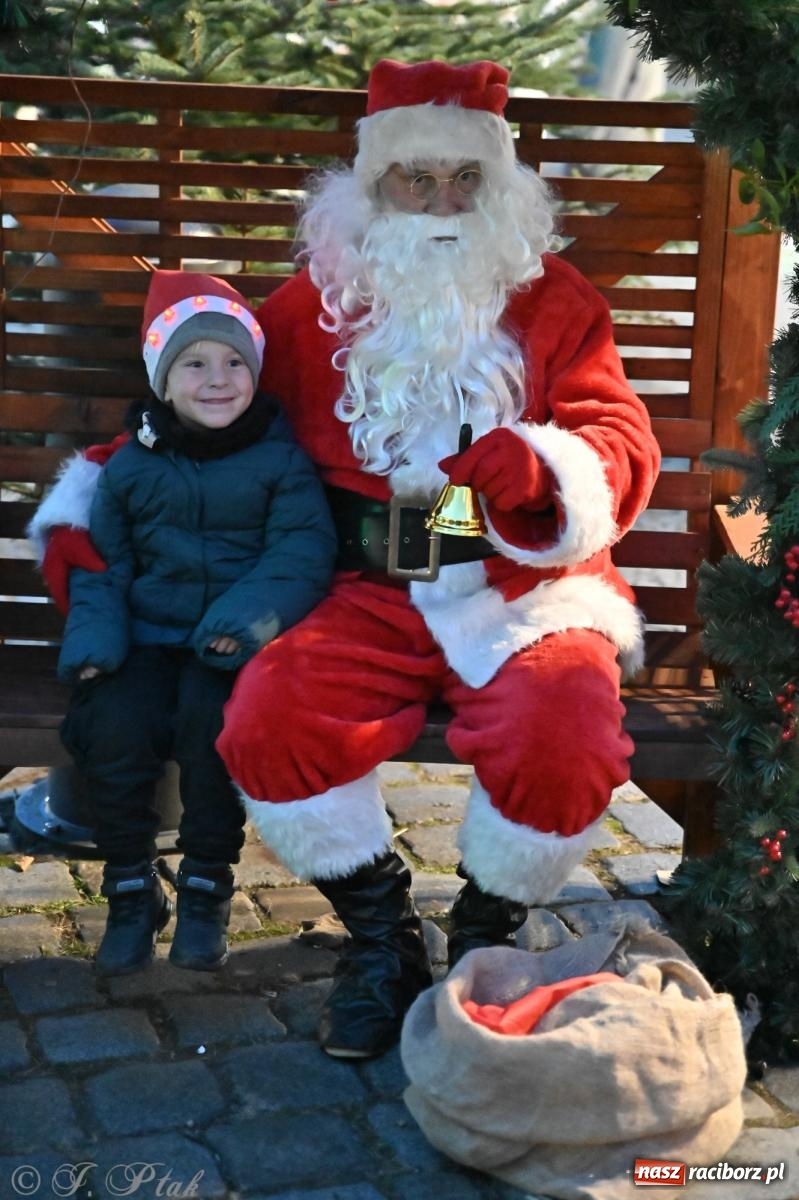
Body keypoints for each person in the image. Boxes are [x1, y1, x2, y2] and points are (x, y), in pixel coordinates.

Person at [33, 59, 660, 1055]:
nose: (444, 203)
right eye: (417, 178)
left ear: (501, 187)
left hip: (522, 587)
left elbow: (618, 433)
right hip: (356, 582)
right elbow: (209, 404)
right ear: (372, 186)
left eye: (468, 180)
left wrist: (543, 468)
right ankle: (379, 935)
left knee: (566, 730)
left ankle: (485, 934)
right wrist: (89, 497)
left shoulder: (557, 301)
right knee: (270, 720)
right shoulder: (314, 301)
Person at [50, 269, 337, 977]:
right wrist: (95, 641)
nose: (218, 379)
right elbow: (101, 565)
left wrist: (245, 623)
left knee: (216, 734)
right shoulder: (132, 469)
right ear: (162, 378)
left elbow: (300, 553)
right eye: (195, 363)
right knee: (112, 727)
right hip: (146, 638)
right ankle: (128, 889)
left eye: (235, 361)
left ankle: (207, 884)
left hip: (231, 645)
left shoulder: (279, 459)